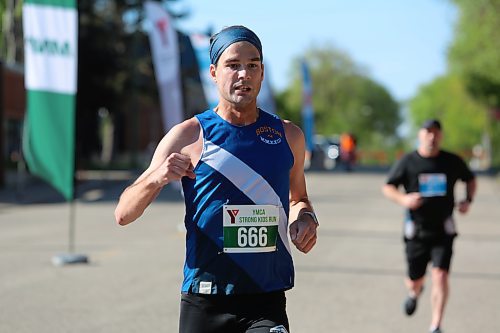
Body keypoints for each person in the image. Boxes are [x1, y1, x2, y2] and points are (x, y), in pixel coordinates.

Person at [114, 25, 319, 333]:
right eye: (233, 65)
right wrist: (157, 177)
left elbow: (298, 199)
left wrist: (306, 218)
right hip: (205, 299)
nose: (243, 74)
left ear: (262, 73)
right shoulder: (189, 135)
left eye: (252, 65)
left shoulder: (288, 135)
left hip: (266, 299)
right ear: (213, 72)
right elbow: (123, 214)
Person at [382, 119, 477, 333]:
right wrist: (404, 200)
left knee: (441, 275)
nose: (432, 137)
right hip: (416, 229)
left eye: (436, 133)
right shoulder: (408, 161)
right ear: (420, 135)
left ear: (441, 136)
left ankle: (436, 325)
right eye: (428, 132)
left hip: (444, 228)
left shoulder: (451, 161)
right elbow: (388, 187)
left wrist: (468, 200)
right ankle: (415, 292)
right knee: (415, 279)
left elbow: (470, 179)